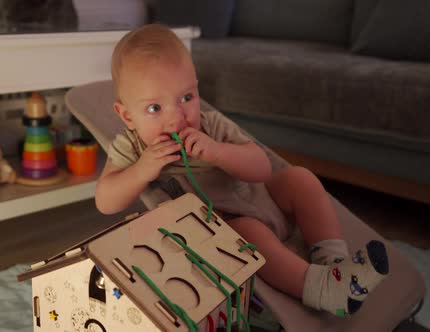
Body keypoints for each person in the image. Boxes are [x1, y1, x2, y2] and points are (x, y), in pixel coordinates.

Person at [95, 24, 389, 317]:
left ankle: (333, 263)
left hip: (264, 199)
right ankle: (320, 289)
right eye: (154, 109)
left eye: (187, 98)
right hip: (230, 226)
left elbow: (262, 167)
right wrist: (141, 171)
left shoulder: (213, 126)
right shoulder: (131, 147)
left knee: (300, 178)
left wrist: (218, 151)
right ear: (127, 116)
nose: (177, 118)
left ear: (198, 89)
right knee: (247, 233)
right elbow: (106, 201)